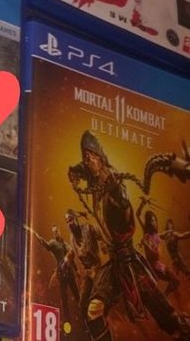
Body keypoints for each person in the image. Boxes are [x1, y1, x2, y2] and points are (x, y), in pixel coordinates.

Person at [68, 130, 190, 340]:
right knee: (94, 310)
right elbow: (82, 169)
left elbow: (124, 213)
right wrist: (74, 171)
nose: (88, 162)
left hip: (130, 264)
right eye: (86, 158)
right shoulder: (94, 179)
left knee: (167, 316)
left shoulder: (113, 183)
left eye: (91, 157)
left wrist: (117, 194)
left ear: (100, 158)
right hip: (114, 264)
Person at [32, 224, 79, 320]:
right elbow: (47, 245)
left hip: (69, 272)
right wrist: (39, 238)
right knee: (64, 297)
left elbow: (71, 258)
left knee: (76, 293)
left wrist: (76, 269)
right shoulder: (53, 243)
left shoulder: (66, 244)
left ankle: (83, 314)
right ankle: (67, 319)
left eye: (56, 231)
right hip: (61, 272)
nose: (55, 234)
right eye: (53, 232)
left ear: (59, 231)